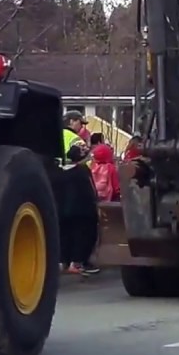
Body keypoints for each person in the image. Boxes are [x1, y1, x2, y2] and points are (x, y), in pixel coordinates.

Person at [59, 113, 100, 275]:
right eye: (79, 123)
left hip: (56, 183)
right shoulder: (74, 138)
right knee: (83, 224)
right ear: (71, 122)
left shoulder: (53, 135)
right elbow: (83, 158)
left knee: (63, 225)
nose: (82, 127)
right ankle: (78, 262)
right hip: (76, 184)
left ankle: (63, 261)